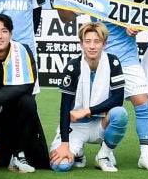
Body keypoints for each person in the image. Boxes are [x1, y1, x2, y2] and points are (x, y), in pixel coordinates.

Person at [90, 0, 148, 170]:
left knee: (142, 102)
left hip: (128, 58)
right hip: (100, 61)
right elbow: (68, 18)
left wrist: (136, 27)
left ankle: (145, 155)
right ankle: (101, 152)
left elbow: (139, 18)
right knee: (110, 111)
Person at [0, 12, 46, 172]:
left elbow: (26, 85)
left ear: (11, 34)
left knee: (28, 102)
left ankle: (19, 154)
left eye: (4, 31)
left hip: (14, 119)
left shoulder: (22, 52)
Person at [50, 21, 129, 171]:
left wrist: (87, 111)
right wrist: (65, 145)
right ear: (81, 44)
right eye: (88, 41)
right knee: (60, 166)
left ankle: (104, 155)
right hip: (76, 125)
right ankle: (77, 152)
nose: (92, 46)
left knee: (120, 114)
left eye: (97, 41)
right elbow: (65, 107)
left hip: (100, 123)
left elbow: (118, 98)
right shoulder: (73, 66)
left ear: (104, 44)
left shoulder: (112, 62)